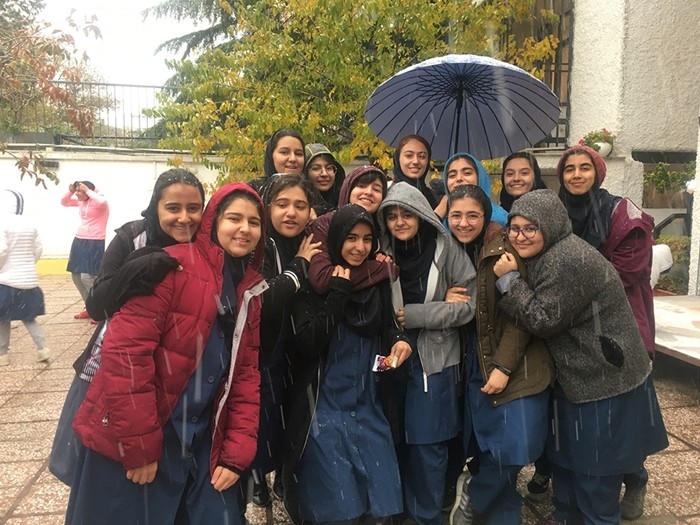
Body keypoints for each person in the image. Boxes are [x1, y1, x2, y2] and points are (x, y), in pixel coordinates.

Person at [65, 182, 266, 525]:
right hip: (138, 432)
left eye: (254, 221)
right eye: (234, 218)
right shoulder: (170, 267)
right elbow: (126, 357)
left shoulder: (250, 290)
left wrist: (235, 453)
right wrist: (139, 446)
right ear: (213, 221)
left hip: (200, 440)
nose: (245, 229)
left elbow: (246, 375)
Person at [494, 189, 668, 525]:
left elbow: (542, 319)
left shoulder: (567, 260)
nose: (520, 236)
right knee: (569, 463)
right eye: (514, 228)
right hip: (582, 373)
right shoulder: (550, 251)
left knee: (596, 471)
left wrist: (510, 281)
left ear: (551, 225)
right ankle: (568, 515)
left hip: (603, 378)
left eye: (531, 228)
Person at [49, 169, 206, 486]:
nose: (184, 218)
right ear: (155, 207)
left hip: (176, 373)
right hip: (114, 363)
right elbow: (97, 305)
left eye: (194, 208)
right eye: (173, 208)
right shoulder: (132, 237)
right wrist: (139, 267)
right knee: (92, 464)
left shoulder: (204, 244)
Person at [283, 203, 412, 525]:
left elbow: (386, 333)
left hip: (369, 408)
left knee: (378, 507)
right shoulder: (314, 285)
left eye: (367, 239)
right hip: (324, 412)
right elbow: (308, 343)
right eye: (351, 238)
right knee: (338, 510)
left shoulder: (377, 280)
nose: (360, 247)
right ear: (336, 239)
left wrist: (400, 342)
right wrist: (338, 294)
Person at [557, 144, 656, 520]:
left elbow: (625, 273)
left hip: (620, 328)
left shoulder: (621, 215)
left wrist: (567, 284)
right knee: (586, 423)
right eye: (569, 169)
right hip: (576, 330)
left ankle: (636, 478)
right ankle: (578, 493)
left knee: (625, 419)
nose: (576, 175)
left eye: (584, 167)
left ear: (598, 172)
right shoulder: (559, 214)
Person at [445, 184, 553, 525]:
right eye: (456, 215)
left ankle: (475, 493)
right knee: (489, 446)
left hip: (516, 360)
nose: (463, 222)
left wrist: (503, 366)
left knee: (515, 447)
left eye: (472, 215)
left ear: (486, 216)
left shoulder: (506, 250)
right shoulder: (448, 249)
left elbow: (521, 317)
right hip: (474, 359)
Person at [377, 182, 476, 525]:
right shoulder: (380, 252)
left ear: (421, 214)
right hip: (390, 359)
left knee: (428, 446)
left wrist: (420, 314)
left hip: (434, 362)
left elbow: (469, 306)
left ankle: (426, 517)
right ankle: (397, 513)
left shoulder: (446, 249)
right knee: (393, 441)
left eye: (407, 214)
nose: (400, 222)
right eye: (392, 216)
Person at [244, 174, 322, 510]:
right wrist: (298, 267)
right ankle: (258, 477)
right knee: (263, 421)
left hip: (300, 351)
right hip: (266, 353)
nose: (291, 212)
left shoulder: (314, 241)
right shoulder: (260, 245)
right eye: (282, 204)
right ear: (267, 207)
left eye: (300, 205)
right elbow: (265, 300)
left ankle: (283, 477)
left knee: (293, 421)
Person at [308, 165, 395, 296]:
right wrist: (381, 269)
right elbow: (321, 279)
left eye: (376, 189)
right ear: (348, 189)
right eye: (361, 186)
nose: (369, 192)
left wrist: (381, 261)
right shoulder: (324, 224)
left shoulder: (381, 228)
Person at [0, 190, 51, 366]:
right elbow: (38, 249)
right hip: (28, 280)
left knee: (3, 319)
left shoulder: (2, 223)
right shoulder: (30, 224)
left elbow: (1, 251)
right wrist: (28, 264)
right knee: (28, 317)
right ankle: (42, 348)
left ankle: (2, 355)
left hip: (6, 281)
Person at [60, 180, 109, 320]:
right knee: (75, 275)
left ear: (88, 191)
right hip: (79, 239)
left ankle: (101, 309)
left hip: (95, 241)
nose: (77, 194)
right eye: (76, 191)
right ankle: (89, 307)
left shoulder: (99, 201)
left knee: (87, 277)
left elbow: (102, 201)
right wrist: (70, 191)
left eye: (79, 191)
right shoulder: (81, 201)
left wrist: (87, 190)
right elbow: (64, 202)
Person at [435, 153, 507, 226]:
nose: (459, 178)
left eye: (467, 173)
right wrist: (437, 216)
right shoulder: (440, 217)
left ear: (480, 177)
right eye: (452, 175)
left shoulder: (501, 218)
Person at [249, 129, 306, 195]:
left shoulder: (311, 192)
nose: (293, 159)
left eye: (298, 154)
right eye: (284, 152)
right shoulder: (253, 191)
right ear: (271, 155)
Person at [391, 134, 438, 208]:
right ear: (397, 159)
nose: (416, 161)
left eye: (422, 156)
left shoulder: (434, 197)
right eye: (409, 155)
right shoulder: (386, 194)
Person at [304, 143, 346, 210]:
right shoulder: (297, 206)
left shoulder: (347, 201)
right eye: (316, 168)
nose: (324, 174)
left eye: (329, 168)